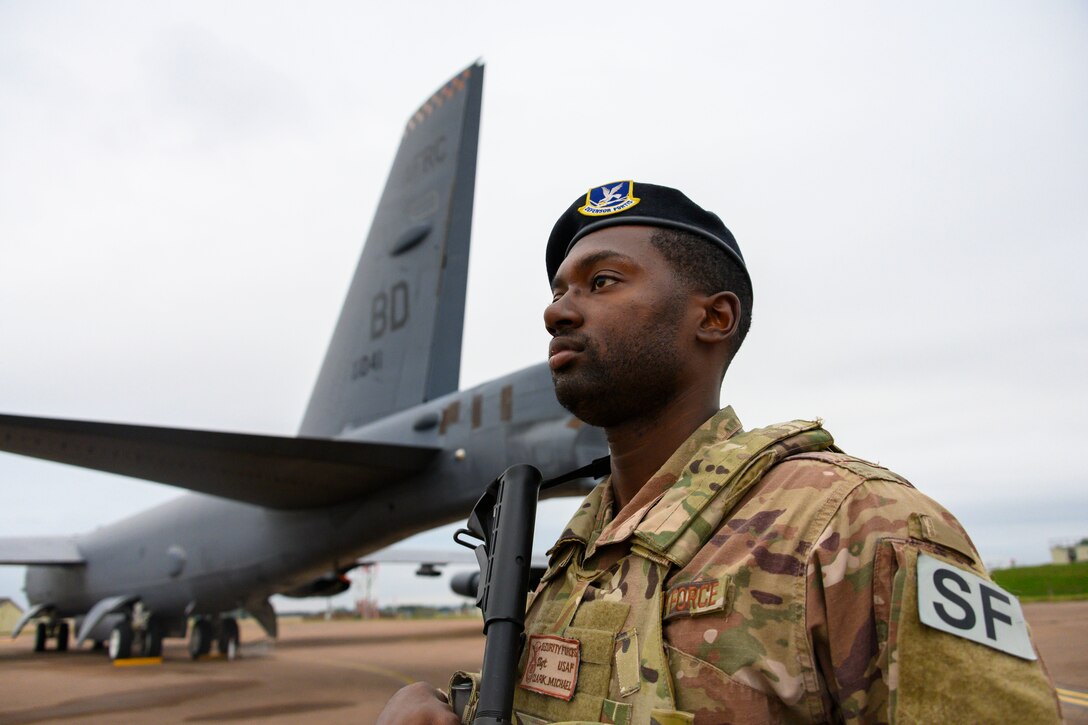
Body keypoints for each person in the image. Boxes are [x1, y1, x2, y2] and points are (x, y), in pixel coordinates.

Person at [378, 181, 1062, 724]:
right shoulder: (575, 558)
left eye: (603, 281)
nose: (558, 310)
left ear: (714, 317)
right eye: (559, 289)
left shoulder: (857, 525)